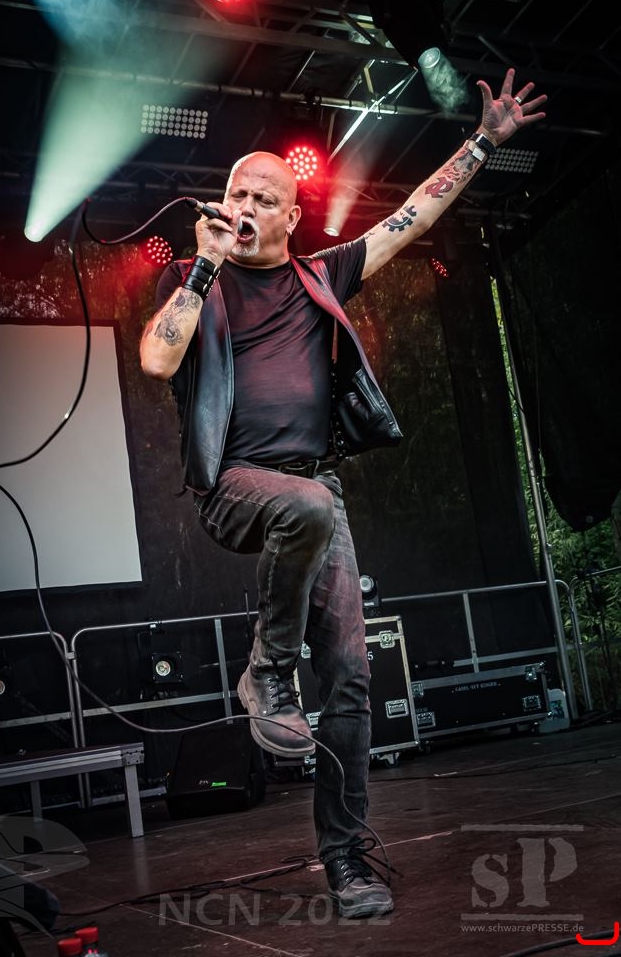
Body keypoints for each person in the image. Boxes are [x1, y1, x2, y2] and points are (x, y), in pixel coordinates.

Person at [140, 69, 546, 919]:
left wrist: (482, 142)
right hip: (233, 488)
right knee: (307, 505)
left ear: (290, 216)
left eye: (265, 197)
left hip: (312, 489)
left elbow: (414, 216)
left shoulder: (323, 274)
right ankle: (267, 671)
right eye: (236, 193)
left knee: (353, 677)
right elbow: (156, 359)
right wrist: (203, 267)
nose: (247, 206)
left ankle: (348, 862)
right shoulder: (192, 276)